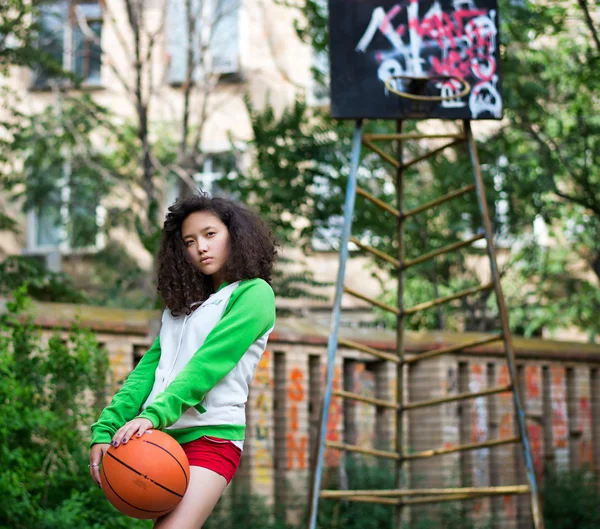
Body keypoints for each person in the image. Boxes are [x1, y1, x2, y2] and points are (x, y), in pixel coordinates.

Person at [88, 192, 277, 528]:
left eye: (210, 234)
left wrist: (153, 415)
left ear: (235, 234)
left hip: (211, 438)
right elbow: (146, 373)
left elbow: (208, 365)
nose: (200, 247)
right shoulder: (181, 309)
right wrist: (106, 428)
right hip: (161, 440)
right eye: (189, 241)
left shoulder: (254, 293)